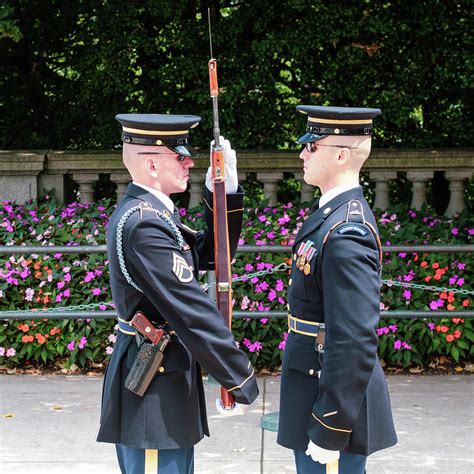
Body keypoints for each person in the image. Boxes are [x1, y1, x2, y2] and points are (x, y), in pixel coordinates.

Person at [97, 113, 258, 473]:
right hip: (154, 391)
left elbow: (211, 253)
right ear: (152, 164)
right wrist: (239, 377)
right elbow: (191, 310)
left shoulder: (153, 214)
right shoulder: (144, 223)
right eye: (180, 155)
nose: (190, 161)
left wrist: (225, 193)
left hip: (165, 379)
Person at [277, 106, 397, 473]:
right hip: (313, 380)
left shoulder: (347, 231)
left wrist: (331, 426)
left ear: (341, 155)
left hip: (329, 397)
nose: (302, 153)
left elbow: (354, 337)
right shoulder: (331, 216)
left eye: (312, 147)